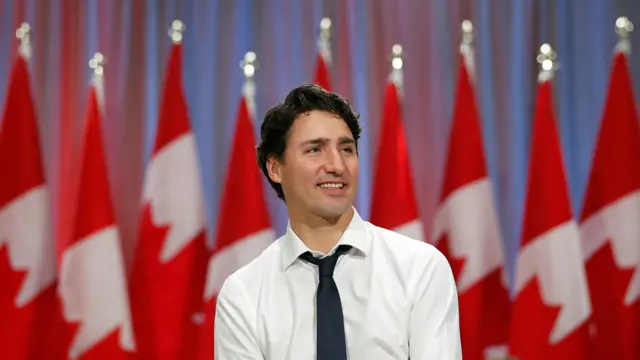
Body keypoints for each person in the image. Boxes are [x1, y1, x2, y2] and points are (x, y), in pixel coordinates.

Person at [214, 84, 462, 360]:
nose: (337, 165)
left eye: (346, 149)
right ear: (275, 168)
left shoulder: (420, 269)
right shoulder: (244, 295)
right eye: (315, 150)